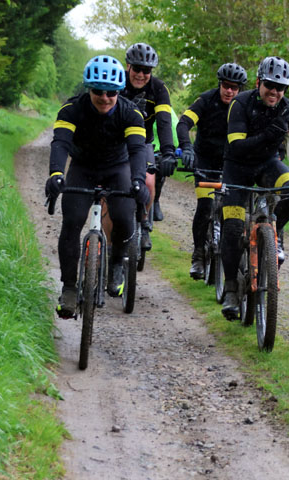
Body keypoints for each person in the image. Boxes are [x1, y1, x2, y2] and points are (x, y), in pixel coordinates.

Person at [220, 56, 289, 319]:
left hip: (268, 165)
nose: (275, 92)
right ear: (259, 82)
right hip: (237, 167)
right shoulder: (240, 103)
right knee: (233, 226)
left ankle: (275, 233)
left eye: (281, 88)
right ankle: (232, 288)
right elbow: (236, 146)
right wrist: (267, 136)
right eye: (270, 85)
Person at [46, 55, 149, 318]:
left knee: (125, 217)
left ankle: (116, 264)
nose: (105, 98)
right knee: (72, 222)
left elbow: (138, 150)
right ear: (88, 88)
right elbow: (60, 143)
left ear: (119, 92)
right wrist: (56, 174)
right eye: (98, 92)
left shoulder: (131, 113)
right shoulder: (71, 110)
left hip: (118, 167)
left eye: (111, 93)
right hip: (83, 168)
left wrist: (138, 180)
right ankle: (69, 289)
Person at [176, 62, 248, 280]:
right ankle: (198, 255)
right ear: (220, 84)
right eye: (226, 85)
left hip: (231, 162)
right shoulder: (206, 100)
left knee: (231, 212)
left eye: (234, 88)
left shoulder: (243, 106)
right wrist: (187, 148)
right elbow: (183, 123)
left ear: (240, 89)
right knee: (205, 206)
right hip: (204, 160)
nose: (229, 91)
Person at [121, 42, 176, 249]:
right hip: (116, 142)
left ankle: (144, 223)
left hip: (143, 143)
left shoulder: (158, 88)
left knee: (150, 183)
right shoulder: (119, 82)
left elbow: (163, 122)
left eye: (147, 71)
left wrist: (169, 151)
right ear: (128, 67)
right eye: (137, 69)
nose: (141, 75)